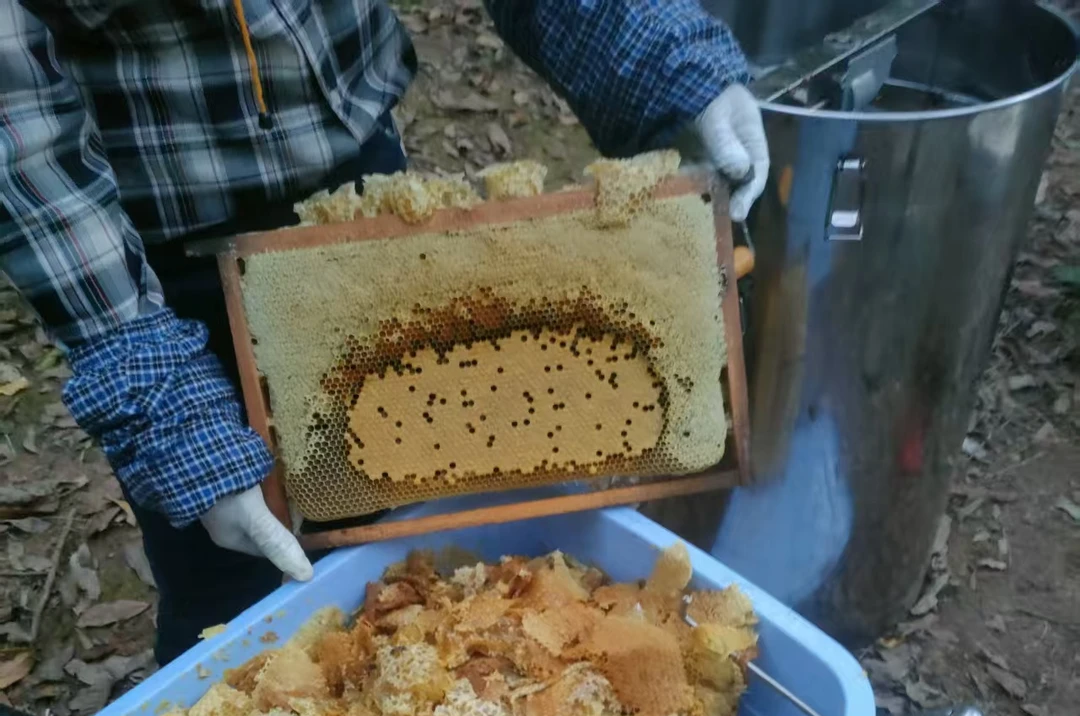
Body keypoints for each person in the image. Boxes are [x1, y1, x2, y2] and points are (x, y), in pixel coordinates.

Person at [0, 0, 769, 665]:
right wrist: (168, 415)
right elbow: (18, 127)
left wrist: (661, 59)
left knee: (417, 525)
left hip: (368, 203)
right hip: (160, 254)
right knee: (229, 574)